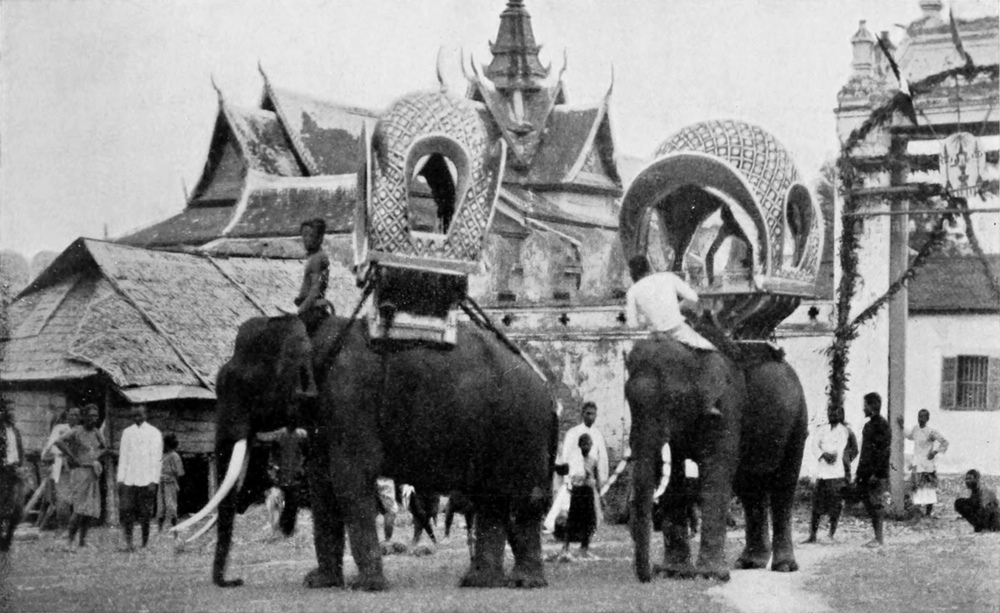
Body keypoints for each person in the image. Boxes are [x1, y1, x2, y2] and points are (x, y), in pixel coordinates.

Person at [624, 254, 715, 352]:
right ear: (649, 267)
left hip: (656, 338)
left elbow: (632, 324)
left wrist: (645, 321)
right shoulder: (668, 277)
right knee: (710, 349)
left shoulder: (632, 291)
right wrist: (678, 307)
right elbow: (693, 297)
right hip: (679, 332)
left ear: (632, 273)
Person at [544, 401, 608, 533]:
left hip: (589, 478)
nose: (591, 417)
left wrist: (601, 481)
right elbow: (566, 456)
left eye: (593, 414)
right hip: (574, 477)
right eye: (588, 414)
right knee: (568, 505)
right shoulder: (573, 433)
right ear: (582, 414)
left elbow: (602, 459)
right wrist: (568, 477)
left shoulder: (598, 435)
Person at [54, 404, 107, 550]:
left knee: (89, 510)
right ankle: (69, 541)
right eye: (90, 416)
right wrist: (72, 457)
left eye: (95, 416)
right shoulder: (77, 431)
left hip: (93, 473)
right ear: (84, 417)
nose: (93, 419)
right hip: (80, 472)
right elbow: (59, 442)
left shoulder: (96, 432)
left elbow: (104, 447)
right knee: (79, 509)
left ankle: (83, 541)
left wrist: (96, 456)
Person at [116, 404, 162, 551]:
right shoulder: (127, 432)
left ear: (145, 415)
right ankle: (129, 543)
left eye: (139, 415)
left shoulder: (154, 433)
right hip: (129, 479)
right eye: (134, 415)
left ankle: (144, 543)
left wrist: (154, 481)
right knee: (127, 510)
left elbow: (157, 459)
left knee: (145, 513)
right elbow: (123, 456)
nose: (137, 418)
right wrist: (120, 479)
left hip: (147, 479)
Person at [803, 405, 851, 543]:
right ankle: (812, 536)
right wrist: (823, 454)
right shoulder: (822, 429)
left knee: (835, 506)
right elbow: (814, 444)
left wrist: (831, 454)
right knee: (816, 506)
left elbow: (839, 447)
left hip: (836, 474)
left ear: (840, 415)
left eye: (835, 413)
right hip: (822, 473)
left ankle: (831, 534)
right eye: (830, 413)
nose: (831, 415)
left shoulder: (843, 431)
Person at [854, 392, 892, 548]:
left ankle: (879, 538)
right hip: (865, 472)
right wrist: (859, 473)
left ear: (873, 406)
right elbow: (865, 451)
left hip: (876, 473)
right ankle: (877, 536)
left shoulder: (882, 425)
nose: (863, 408)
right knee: (868, 502)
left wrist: (876, 473)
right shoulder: (868, 425)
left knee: (876, 504)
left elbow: (884, 451)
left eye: (865, 405)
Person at [256, 426, 307, 536]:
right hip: (282, 476)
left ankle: (286, 530)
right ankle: (280, 528)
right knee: (280, 502)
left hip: (291, 476)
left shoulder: (300, 435)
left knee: (291, 504)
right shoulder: (281, 435)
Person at [558, 433, 602, 560]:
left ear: (591, 445)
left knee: (589, 520)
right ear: (579, 445)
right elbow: (568, 474)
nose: (586, 447)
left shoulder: (593, 460)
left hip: (588, 491)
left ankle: (584, 548)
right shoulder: (575, 459)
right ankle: (565, 548)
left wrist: (600, 494)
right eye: (584, 444)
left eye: (588, 444)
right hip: (577, 491)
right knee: (572, 520)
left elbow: (596, 477)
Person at [898, 409, 948, 518]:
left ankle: (928, 513)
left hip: (927, 463)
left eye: (923, 417)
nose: (920, 419)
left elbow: (944, 442)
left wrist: (934, 452)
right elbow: (909, 436)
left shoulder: (930, 432)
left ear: (927, 419)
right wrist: (901, 426)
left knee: (929, 489)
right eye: (919, 416)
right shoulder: (915, 429)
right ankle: (918, 512)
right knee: (917, 488)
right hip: (917, 462)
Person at [38, 409, 77, 531]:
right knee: (56, 497)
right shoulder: (60, 428)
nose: (74, 417)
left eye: (77, 415)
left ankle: (68, 525)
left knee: (71, 497)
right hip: (60, 464)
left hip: (74, 466)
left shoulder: (79, 429)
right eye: (72, 415)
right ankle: (55, 525)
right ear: (67, 416)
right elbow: (50, 446)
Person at [295, 218, 332, 335]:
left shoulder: (317, 259)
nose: (306, 239)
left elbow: (315, 291)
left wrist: (300, 310)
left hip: (312, 310)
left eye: (310, 235)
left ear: (320, 238)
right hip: (310, 307)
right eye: (304, 235)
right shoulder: (315, 257)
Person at [1, 397, 26, 551]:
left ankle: (8, 538)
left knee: (18, 508)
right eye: (8, 409)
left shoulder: (15, 431)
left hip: (17, 471)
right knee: (3, 506)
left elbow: (20, 451)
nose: (12, 412)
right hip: (3, 472)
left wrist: (21, 466)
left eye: (13, 409)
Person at [156, 434, 184, 532]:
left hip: (170, 482)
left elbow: (179, 473)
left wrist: (176, 485)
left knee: (171, 506)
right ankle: (159, 530)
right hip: (161, 483)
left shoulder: (175, 456)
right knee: (160, 508)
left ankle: (175, 530)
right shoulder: (161, 456)